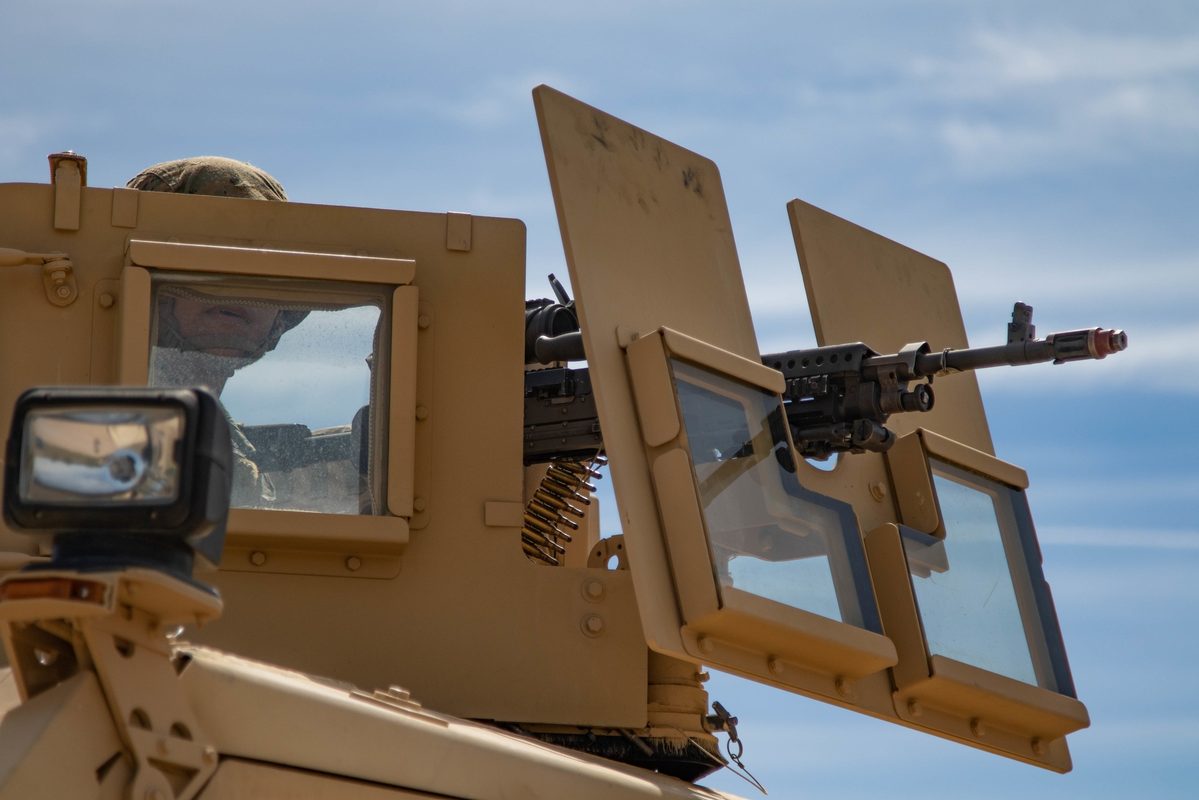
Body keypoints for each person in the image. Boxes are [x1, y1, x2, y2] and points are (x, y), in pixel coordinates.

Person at [129, 157, 299, 506]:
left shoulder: (228, 436)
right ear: (156, 297)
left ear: (278, 320)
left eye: (264, 275)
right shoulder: (101, 399)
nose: (239, 289)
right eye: (209, 266)